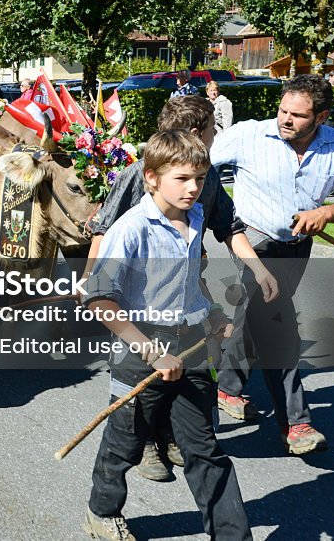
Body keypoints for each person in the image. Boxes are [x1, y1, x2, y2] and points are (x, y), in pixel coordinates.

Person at [86, 96, 277, 483]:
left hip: (186, 286)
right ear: (195, 133)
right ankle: (147, 444)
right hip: (140, 291)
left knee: (185, 367)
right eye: (211, 130)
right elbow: (105, 228)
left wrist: (256, 268)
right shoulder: (139, 177)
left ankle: (174, 433)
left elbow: (228, 227)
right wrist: (90, 277)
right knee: (147, 375)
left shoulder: (203, 183)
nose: (214, 137)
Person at [83, 130, 251, 541]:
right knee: (125, 443)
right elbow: (100, 300)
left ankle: (233, 536)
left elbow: (190, 284)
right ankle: (101, 513)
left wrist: (210, 314)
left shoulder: (194, 219)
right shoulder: (131, 229)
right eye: (182, 178)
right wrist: (151, 351)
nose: (194, 188)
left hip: (190, 345)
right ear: (152, 177)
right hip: (139, 345)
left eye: (199, 178)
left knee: (205, 450)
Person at [211, 74, 334, 454]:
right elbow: (196, 166)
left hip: (296, 248)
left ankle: (227, 386)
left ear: (321, 116)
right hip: (251, 242)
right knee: (276, 324)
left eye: (297, 115)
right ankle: (296, 424)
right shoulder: (249, 135)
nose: (286, 119)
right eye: (283, 110)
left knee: (255, 319)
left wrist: (328, 212)